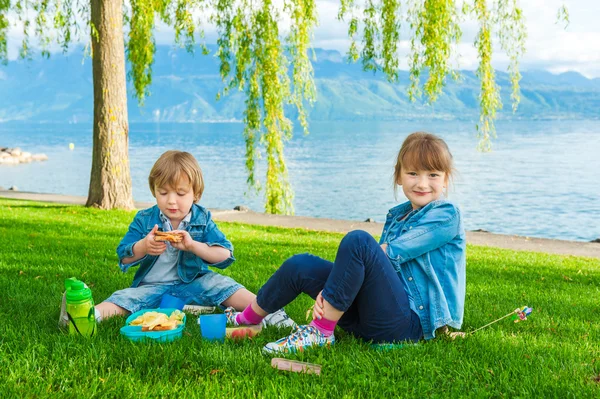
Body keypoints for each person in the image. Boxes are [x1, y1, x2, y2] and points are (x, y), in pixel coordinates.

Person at [225, 132, 466, 353]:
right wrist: (335, 289)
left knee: (359, 241)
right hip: (370, 319)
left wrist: (334, 289)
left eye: (433, 175)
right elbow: (377, 275)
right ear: (399, 176)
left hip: (409, 327)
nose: (422, 183)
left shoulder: (447, 215)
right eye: (413, 173)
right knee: (301, 265)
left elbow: (392, 253)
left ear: (445, 180)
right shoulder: (397, 216)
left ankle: (320, 331)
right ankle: (247, 320)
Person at [59, 150, 294, 328]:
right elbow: (124, 254)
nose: (172, 201)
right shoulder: (144, 219)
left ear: (196, 194)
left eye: (181, 194)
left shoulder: (202, 218)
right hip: (152, 287)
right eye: (163, 193)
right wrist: (144, 246)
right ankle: (85, 316)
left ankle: (269, 310)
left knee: (222, 285)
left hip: (193, 281)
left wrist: (193, 245)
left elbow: (225, 253)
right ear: (154, 191)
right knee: (126, 298)